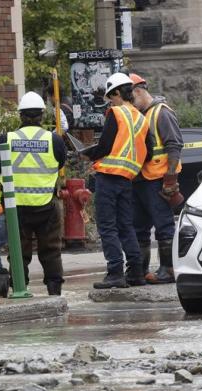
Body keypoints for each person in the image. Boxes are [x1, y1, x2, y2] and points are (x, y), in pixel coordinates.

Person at [0, 91, 66, 295]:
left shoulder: (7, 139)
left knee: (19, 252)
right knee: (51, 249)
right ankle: (54, 291)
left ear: (20, 115)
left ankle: (20, 288)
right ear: (42, 115)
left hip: (16, 208)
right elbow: (60, 163)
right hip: (47, 204)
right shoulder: (54, 140)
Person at [80, 73, 154, 289]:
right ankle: (136, 272)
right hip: (127, 180)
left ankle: (115, 273)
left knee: (107, 226)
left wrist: (88, 154)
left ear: (118, 93)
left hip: (108, 177)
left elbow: (105, 146)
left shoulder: (116, 112)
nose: (110, 101)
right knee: (126, 226)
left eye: (111, 96)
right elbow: (148, 153)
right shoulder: (141, 118)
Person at [129, 73, 183, 284]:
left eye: (131, 97)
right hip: (139, 180)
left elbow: (174, 146)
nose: (131, 103)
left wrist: (170, 179)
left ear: (139, 91)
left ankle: (168, 270)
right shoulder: (136, 115)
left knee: (163, 226)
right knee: (139, 228)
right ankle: (141, 271)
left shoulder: (161, 114)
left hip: (157, 181)